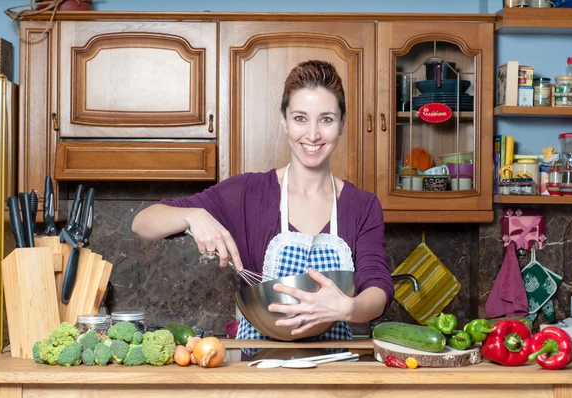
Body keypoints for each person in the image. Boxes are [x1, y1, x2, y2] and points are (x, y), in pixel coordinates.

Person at [132, 60, 393, 340]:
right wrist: (192, 215)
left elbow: (378, 290)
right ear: (284, 121)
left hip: (334, 370)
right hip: (258, 372)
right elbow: (142, 223)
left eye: (326, 119)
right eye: (300, 118)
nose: (313, 134)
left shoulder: (363, 206)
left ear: (342, 123)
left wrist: (348, 308)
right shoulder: (247, 193)